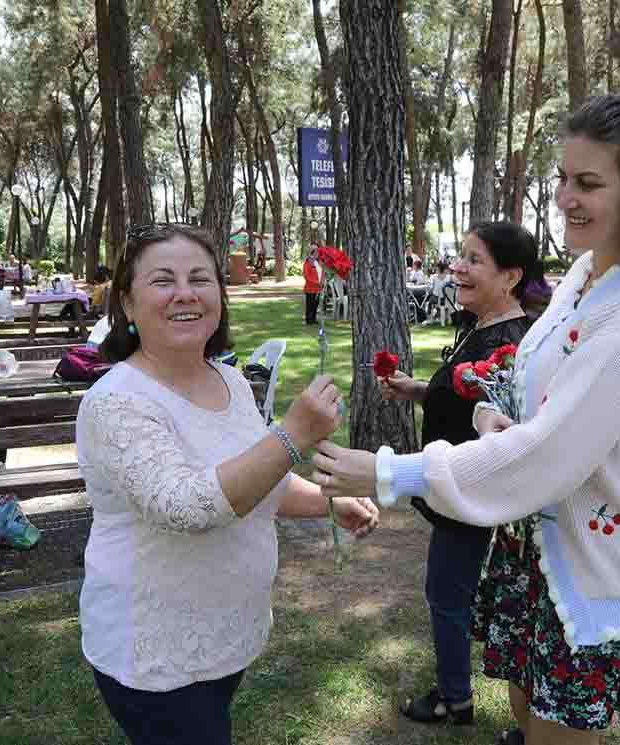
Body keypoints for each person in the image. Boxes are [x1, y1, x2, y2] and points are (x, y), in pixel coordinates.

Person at [312, 94, 620, 745]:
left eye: (588, 183)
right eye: (562, 178)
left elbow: (550, 456)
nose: (564, 198)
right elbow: (538, 390)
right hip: (531, 556)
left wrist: (388, 470)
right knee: (523, 718)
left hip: (587, 573)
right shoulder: (586, 272)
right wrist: (496, 412)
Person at [77, 223, 378, 745]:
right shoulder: (117, 402)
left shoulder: (229, 379)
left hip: (225, 635)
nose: (186, 293)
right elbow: (186, 507)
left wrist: (327, 503)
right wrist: (293, 434)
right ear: (126, 303)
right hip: (158, 652)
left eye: (201, 278)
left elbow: (261, 480)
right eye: (163, 280)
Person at [376, 222, 533, 727]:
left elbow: (504, 420)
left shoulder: (513, 343)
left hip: (472, 489)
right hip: (457, 486)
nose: (458, 268)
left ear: (510, 276)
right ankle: (459, 692)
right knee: (454, 592)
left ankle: (453, 698)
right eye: (460, 257)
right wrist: (418, 390)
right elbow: (465, 396)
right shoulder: (481, 324)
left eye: (474, 260)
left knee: (448, 594)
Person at [303, 245, 323, 325]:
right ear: (312, 252)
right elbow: (306, 276)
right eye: (316, 252)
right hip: (310, 288)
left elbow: (322, 273)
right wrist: (316, 282)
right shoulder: (307, 262)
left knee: (315, 304)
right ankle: (308, 320)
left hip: (318, 288)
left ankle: (314, 319)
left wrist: (322, 282)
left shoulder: (318, 262)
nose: (318, 253)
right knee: (310, 304)